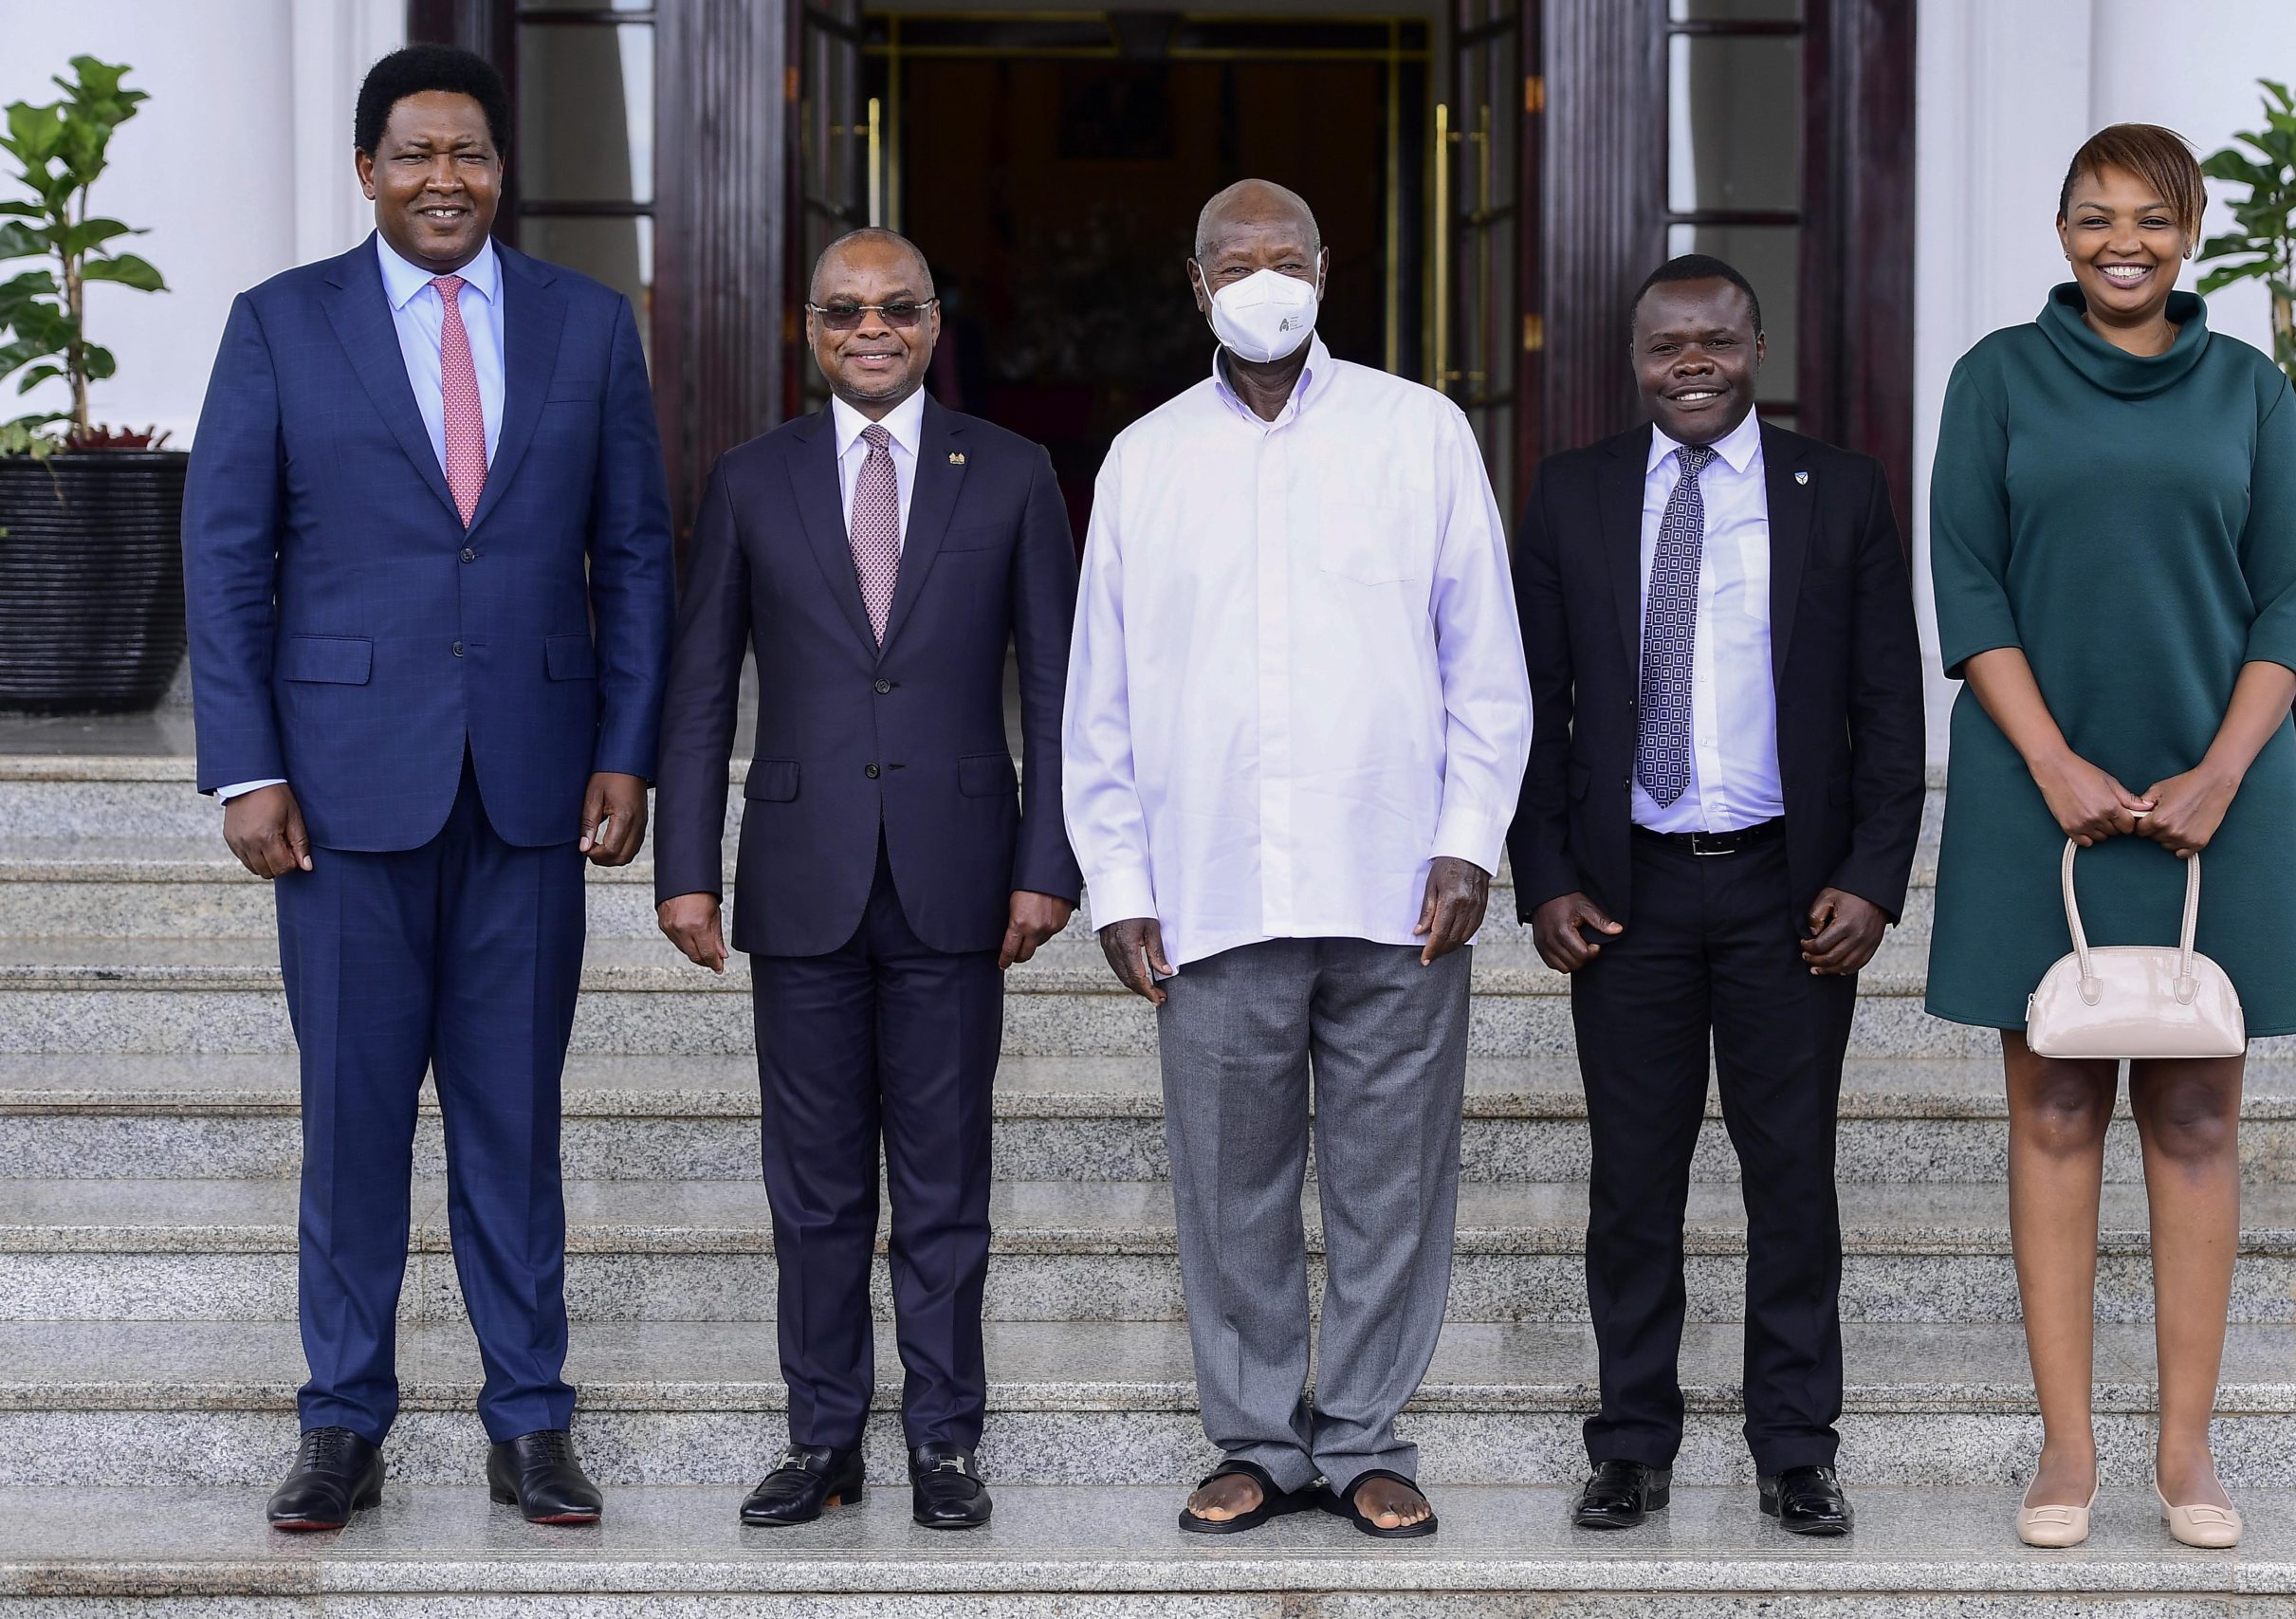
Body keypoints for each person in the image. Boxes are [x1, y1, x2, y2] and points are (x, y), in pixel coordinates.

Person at [182, 46, 672, 1530]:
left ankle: (530, 1419)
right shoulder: (279, 325)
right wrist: (247, 764)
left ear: (501, 171)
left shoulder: (589, 328)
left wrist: (627, 746)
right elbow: (228, 555)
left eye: (468, 153)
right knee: (351, 1126)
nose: (444, 178)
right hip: (336, 801)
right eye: (414, 154)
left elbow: (637, 554)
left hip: (530, 789)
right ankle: (343, 1421)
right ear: (367, 170)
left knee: (515, 1124)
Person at [1062, 178, 1530, 1540]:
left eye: (1287, 256)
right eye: (1235, 259)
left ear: (1327, 268)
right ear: (1196, 284)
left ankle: (1370, 1436)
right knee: (1231, 1187)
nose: (1264, 278)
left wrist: (1467, 842)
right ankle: (1259, 1442)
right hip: (1211, 889)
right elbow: (1102, 694)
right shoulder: (1147, 458)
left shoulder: (1420, 433)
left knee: (1394, 1182)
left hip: (1399, 887)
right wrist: (1120, 881)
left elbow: (1483, 666)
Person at [1927, 124, 2296, 1552]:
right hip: (2040, 791)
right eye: (2095, 216)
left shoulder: (2251, 391)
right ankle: (2066, 1451)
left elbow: (2288, 602)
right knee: (2049, 1106)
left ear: (2191, 231)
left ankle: (2188, 1451)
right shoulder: (1996, 381)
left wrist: (2225, 769)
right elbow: (1967, 588)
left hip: (2223, 793)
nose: (2122, 242)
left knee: (2200, 1111)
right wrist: (2052, 763)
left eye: (2151, 219)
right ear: (2059, 230)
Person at [652, 227, 1081, 1532]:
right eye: (844, 310)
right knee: (817, 1187)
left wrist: (1048, 859)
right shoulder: (748, 480)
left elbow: (1060, 688)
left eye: (897, 307)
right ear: (810, 328)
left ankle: (945, 1442)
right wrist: (685, 869)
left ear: (936, 323)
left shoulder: (1011, 473)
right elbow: (699, 685)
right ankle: (822, 1438)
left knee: (945, 1188)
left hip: (960, 875)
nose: (871, 328)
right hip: (800, 875)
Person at [1507, 254, 1925, 1539]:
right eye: (1664, 345)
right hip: (1625, 894)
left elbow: (1888, 709)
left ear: (1757, 346)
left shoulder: (1840, 493)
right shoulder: (1573, 493)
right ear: (1634, 358)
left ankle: (1796, 1448)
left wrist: (1870, 877)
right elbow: (1530, 705)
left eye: (1715, 341)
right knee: (1635, 1182)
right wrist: (1547, 876)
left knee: (1789, 1177)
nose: (1690, 363)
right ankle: (1631, 1444)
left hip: (1784, 893)